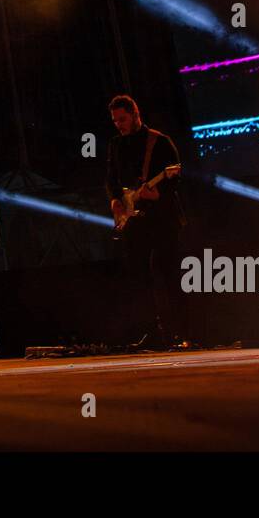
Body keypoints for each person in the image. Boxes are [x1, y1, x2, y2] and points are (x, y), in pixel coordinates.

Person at [104, 94, 188, 349]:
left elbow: (175, 175)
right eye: (115, 120)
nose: (119, 124)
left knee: (170, 273)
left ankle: (183, 333)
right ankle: (152, 334)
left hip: (163, 218)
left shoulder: (159, 142)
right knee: (139, 277)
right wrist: (116, 201)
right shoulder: (115, 145)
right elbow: (111, 179)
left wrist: (158, 192)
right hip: (135, 221)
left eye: (123, 119)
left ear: (135, 114)